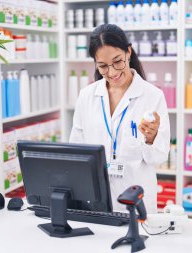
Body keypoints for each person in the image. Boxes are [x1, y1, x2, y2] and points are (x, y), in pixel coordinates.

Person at [69, 24, 170, 214]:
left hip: (137, 202)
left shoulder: (153, 96)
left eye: (117, 62)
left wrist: (151, 139)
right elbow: (76, 151)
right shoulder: (87, 96)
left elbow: (160, 156)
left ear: (128, 52)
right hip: (95, 200)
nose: (112, 72)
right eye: (103, 66)